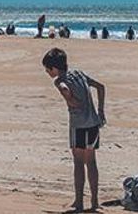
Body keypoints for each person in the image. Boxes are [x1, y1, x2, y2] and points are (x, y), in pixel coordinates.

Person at [42, 48, 106, 213]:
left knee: (78, 162)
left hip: (78, 125)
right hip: (93, 123)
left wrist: (71, 99)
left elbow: (65, 89)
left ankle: (79, 202)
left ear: (54, 69)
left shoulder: (59, 81)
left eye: (47, 69)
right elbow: (101, 87)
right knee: (91, 162)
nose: (47, 72)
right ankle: (94, 201)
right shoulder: (79, 74)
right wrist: (100, 111)